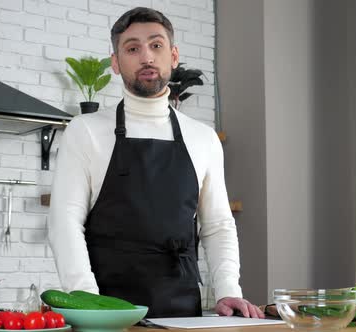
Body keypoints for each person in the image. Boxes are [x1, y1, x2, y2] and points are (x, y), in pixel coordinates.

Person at [48, 7, 264, 319]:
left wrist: (229, 290)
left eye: (156, 45)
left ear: (173, 56)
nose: (146, 57)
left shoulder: (203, 138)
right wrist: (88, 303)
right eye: (132, 48)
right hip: (106, 312)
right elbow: (64, 223)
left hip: (182, 312)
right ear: (116, 63)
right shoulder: (86, 131)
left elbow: (217, 225)